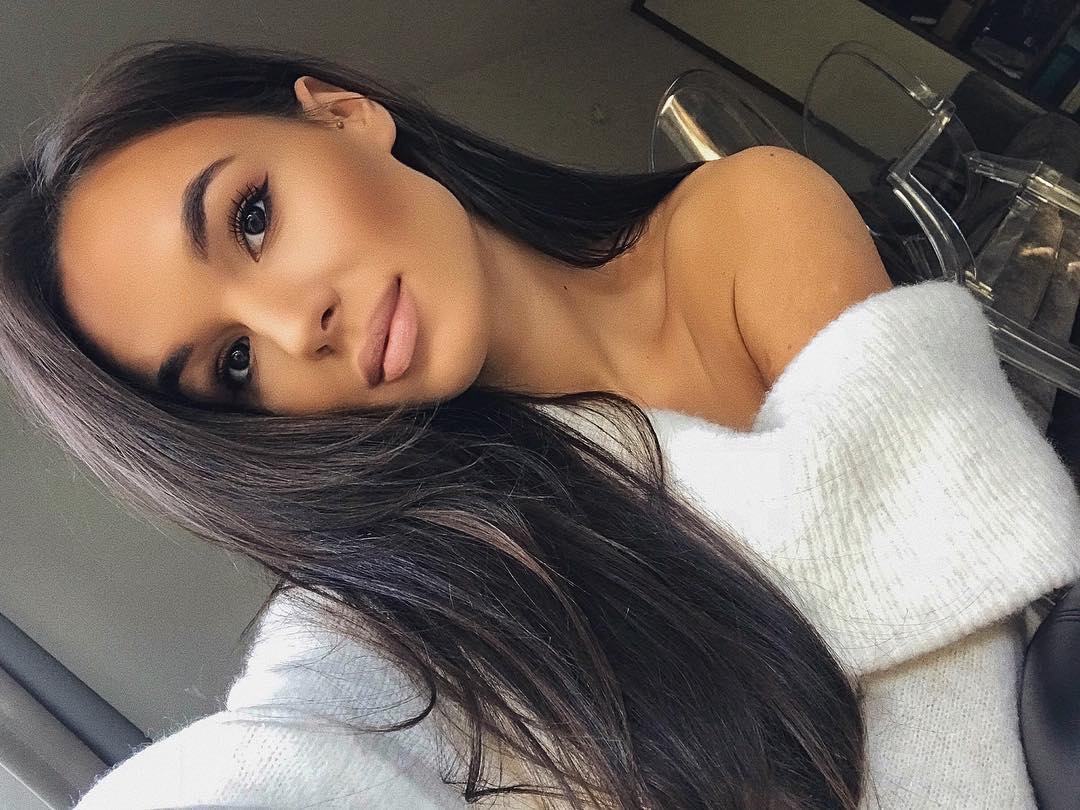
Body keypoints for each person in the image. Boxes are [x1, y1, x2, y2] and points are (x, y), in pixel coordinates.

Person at [9, 38, 1058, 809]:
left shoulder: (746, 218)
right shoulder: (410, 599)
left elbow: (944, 525)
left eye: (252, 218)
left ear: (341, 115)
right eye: (234, 365)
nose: (295, 325)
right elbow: (294, 747)